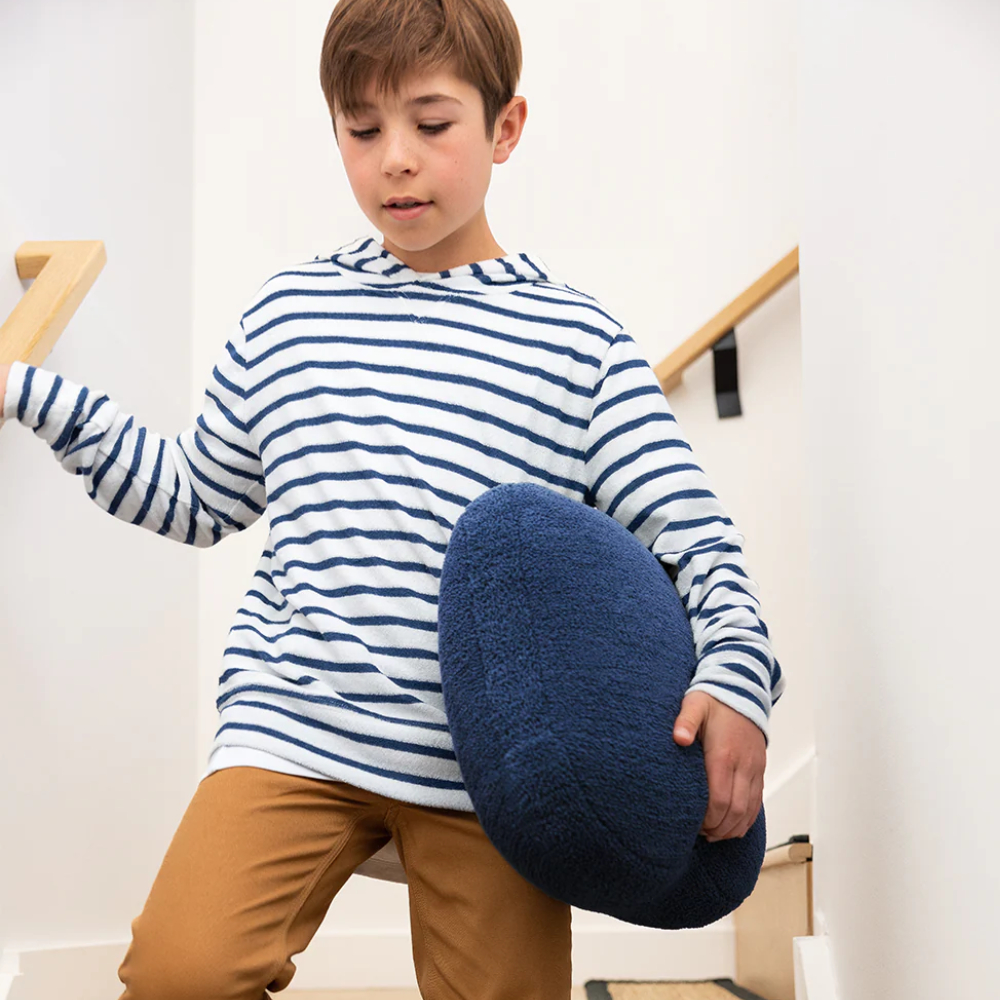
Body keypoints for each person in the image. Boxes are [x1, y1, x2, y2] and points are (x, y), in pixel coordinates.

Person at [0, 0, 785, 996]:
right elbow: (195, 497)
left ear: (505, 127)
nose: (395, 161)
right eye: (362, 129)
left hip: (488, 766)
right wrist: (29, 392)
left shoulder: (580, 345)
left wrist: (738, 675)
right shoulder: (287, 317)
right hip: (293, 724)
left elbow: (692, 534)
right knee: (176, 974)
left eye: (432, 122)